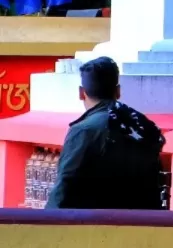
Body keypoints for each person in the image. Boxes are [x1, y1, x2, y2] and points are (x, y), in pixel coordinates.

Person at [46, 56, 165, 210]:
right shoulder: (141, 125)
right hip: (142, 224)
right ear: (118, 91)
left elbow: (64, 189)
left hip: (95, 225)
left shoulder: (84, 130)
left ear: (82, 93)